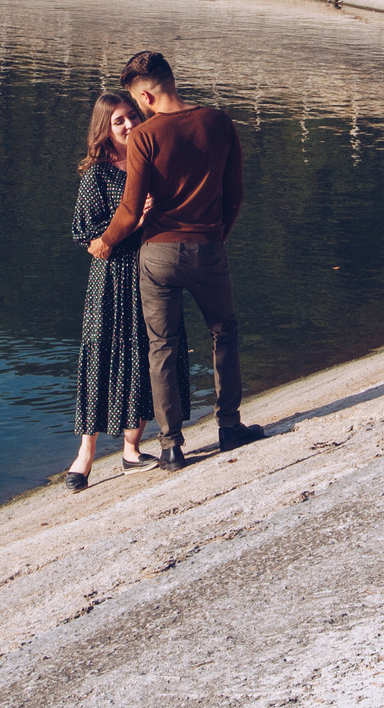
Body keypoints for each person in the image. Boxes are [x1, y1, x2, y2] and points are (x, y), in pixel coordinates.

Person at [89, 50, 266, 467]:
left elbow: (131, 211)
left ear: (146, 98)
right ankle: (229, 427)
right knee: (224, 333)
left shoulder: (145, 138)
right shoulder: (219, 122)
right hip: (207, 247)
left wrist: (106, 242)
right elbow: (235, 193)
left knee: (162, 347)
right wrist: (217, 235)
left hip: (158, 255)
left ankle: (171, 447)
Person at [60, 93, 155, 491]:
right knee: (100, 354)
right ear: (105, 129)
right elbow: (88, 238)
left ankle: (132, 449)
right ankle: (85, 455)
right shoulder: (97, 175)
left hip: (150, 270)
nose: (130, 125)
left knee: (144, 352)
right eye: (119, 121)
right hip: (110, 277)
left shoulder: (149, 162)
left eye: (133, 116)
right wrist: (134, 221)